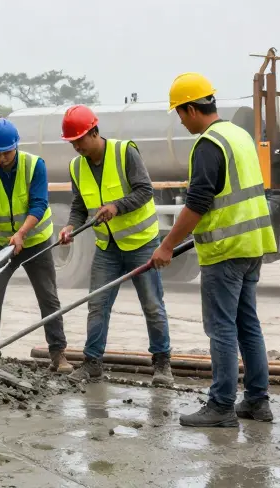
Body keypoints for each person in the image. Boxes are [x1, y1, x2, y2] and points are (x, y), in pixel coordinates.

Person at [153, 73, 276, 427]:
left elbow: (197, 203)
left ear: (192, 109)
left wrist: (166, 246)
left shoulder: (208, 144)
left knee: (221, 328)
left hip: (225, 250)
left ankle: (222, 406)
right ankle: (257, 401)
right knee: (247, 325)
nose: (180, 121)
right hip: (252, 246)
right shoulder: (239, 136)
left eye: (180, 113)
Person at [56, 104, 173, 386]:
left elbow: (145, 191)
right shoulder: (76, 166)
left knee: (152, 305)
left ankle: (162, 364)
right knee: (97, 304)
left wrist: (116, 207)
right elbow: (79, 205)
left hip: (141, 244)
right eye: (72, 143)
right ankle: (92, 363)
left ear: (94, 132)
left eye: (79, 140)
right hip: (107, 247)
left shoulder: (124, 152)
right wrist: (71, 226)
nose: (76, 147)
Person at [0, 117, 70, 373]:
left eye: (6, 152)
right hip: (2, 244)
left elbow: (39, 203)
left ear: (15, 146)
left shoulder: (34, 165)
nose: (2, 158)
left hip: (35, 241)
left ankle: (58, 354)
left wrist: (22, 233)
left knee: (48, 297)